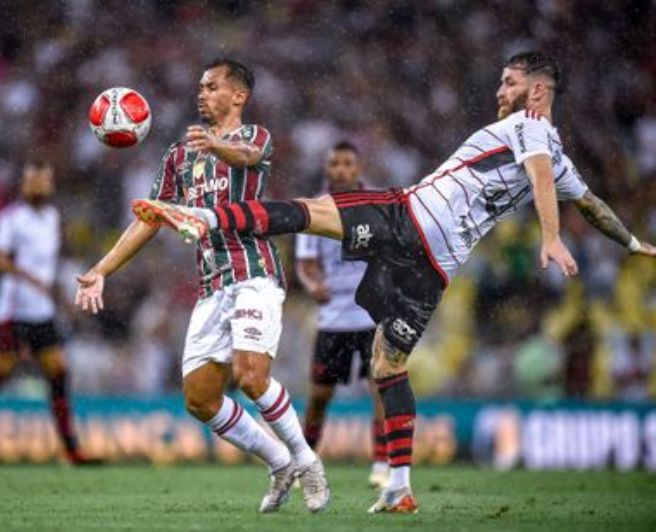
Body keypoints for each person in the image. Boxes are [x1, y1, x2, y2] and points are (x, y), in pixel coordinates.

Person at [131, 51, 656, 514]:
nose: (500, 92)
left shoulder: (534, 129)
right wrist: (631, 243)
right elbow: (591, 203)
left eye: (509, 83)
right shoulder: (551, 150)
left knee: (315, 218)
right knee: (387, 362)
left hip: (409, 217)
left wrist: (551, 235)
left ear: (537, 91)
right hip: (432, 265)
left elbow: (544, 177)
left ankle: (211, 220)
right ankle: (399, 488)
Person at [74, 58, 329, 513]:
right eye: (200, 87)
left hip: (255, 273)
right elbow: (149, 218)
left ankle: (308, 461)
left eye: (212, 86)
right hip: (212, 285)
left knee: (252, 376)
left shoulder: (256, 138)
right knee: (199, 398)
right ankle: (277, 461)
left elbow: (247, 158)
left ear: (239, 96)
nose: (202, 93)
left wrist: (215, 145)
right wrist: (101, 269)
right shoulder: (179, 155)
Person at [0, 160, 93, 466]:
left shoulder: (52, 217)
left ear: (49, 185)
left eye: (43, 181)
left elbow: (47, 267)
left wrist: (54, 292)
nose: (38, 186)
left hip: (41, 311)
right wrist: (27, 277)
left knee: (59, 372)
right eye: (32, 181)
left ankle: (71, 450)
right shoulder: (12, 218)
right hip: (13, 309)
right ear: (24, 185)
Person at [294, 142, 389, 488]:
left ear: (358, 167)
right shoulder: (314, 208)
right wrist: (312, 283)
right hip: (333, 317)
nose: (342, 169)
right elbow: (305, 263)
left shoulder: (379, 205)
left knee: (380, 389)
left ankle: (382, 465)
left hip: (372, 316)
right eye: (335, 163)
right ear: (327, 168)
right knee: (319, 396)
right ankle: (305, 465)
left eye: (348, 162)